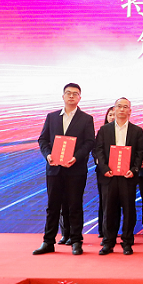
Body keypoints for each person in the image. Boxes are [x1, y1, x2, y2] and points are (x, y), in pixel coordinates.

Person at [34, 83, 95, 256]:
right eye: (68, 93)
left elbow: (89, 142)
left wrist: (76, 157)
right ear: (63, 96)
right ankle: (48, 242)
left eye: (75, 93)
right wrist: (48, 155)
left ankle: (76, 241)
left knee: (75, 206)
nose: (71, 96)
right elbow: (43, 140)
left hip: (75, 169)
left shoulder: (86, 119)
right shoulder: (52, 117)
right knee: (52, 207)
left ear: (79, 98)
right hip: (54, 169)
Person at [93, 98, 143, 255]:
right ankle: (108, 242)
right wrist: (104, 168)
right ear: (114, 109)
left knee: (129, 210)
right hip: (108, 176)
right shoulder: (104, 130)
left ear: (130, 111)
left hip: (127, 176)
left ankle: (127, 242)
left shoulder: (137, 131)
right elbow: (98, 150)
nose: (122, 109)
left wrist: (134, 169)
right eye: (119, 106)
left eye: (125, 107)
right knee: (109, 210)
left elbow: (140, 152)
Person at [92, 106, 115, 243]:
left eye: (114, 114)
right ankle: (103, 230)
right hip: (103, 172)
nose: (112, 117)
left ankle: (116, 230)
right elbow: (95, 150)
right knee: (104, 201)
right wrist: (102, 164)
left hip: (121, 173)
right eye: (110, 114)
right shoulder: (102, 131)